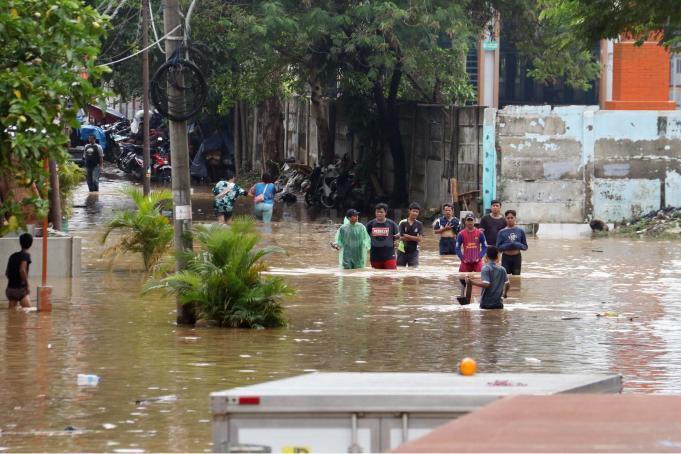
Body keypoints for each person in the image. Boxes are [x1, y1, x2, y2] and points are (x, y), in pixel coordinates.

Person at [366, 203, 400, 269]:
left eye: (381, 212)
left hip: (389, 255)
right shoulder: (370, 224)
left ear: (385, 213)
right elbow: (364, 238)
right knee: (376, 277)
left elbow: (398, 236)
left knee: (391, 276)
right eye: (377, 212)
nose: (379, 214)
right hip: (375, 256)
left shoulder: (392, 224)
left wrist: (398, 238)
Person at [496, 209, 528, 275]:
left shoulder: (520, 231)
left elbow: (525, 247)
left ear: (515, 218)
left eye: (511, 218)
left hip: (517, 258)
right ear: (505, 219)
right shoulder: (501, 232)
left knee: (516, 278)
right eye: (508, 218)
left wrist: (516, 244)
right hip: (506, 258)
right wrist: (508, 245)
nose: (510, 219)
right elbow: (498, 248)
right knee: (505, 278)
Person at [5, 233, 33, 309]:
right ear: (31, 244)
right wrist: (27, 285)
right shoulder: (26, 255)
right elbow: (22, 270)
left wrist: (13, 282)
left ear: (20, 243)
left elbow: (7, 273)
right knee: (29, 312)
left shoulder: (12, 256)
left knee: (12, 315)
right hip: (20, 290)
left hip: (10, 290)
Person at [397, 202, 423, 267]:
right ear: (409, 211)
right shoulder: (402, 222)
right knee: (400, 269)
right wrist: (415, 238)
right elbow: (401, 237)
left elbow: (420, 239)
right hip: (402, 250)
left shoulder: (419, 224)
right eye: (413, 211)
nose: (415, 213)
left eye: (417, 212)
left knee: (413, 270)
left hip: (414, 251)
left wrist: (407, 236)